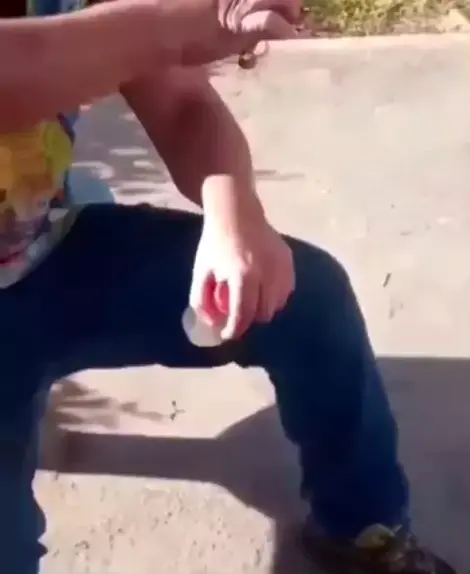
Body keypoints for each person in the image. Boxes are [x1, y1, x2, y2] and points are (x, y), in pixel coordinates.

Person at [0, 1, 455, 573]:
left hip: (45, 247)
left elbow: (182, 103)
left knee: (308, 299)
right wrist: (195, 21)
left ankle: (362, 529)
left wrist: (236, 218)